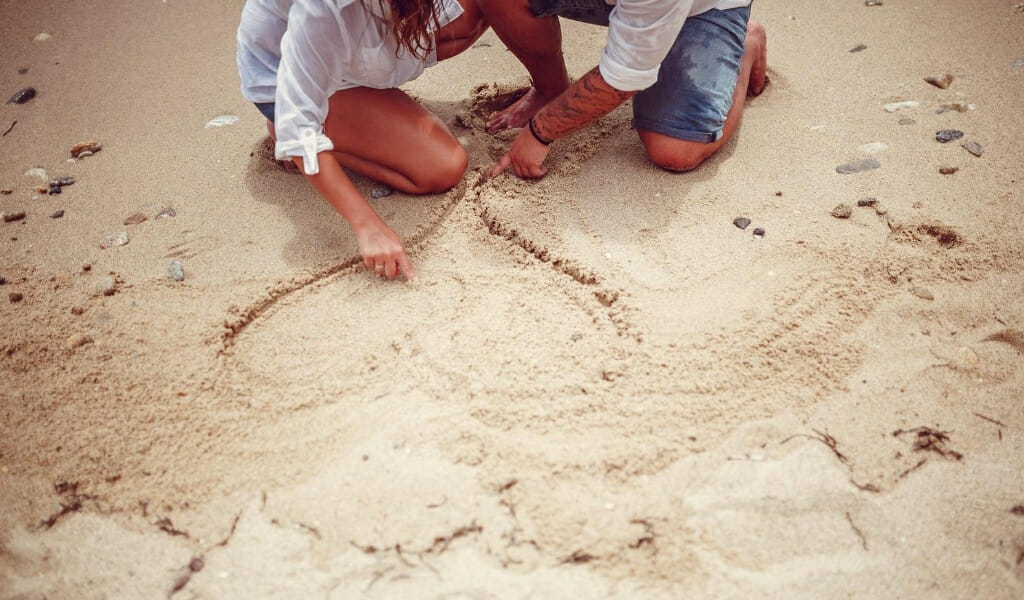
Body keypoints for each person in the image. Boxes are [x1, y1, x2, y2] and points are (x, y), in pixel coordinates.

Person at [237, 0, 487, 279]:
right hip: (283, 76)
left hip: (351, 38)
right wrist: (368, 225)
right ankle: (282, 127)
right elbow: (299, 128)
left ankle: (363, 111)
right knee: (443, 166)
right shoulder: (323, 8)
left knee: (474, 16)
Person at [479, 0, 766, 179]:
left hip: (705, 8)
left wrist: (539, 131)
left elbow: (624, 78)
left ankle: (744, 47)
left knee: (675, 150)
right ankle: (549, 89)